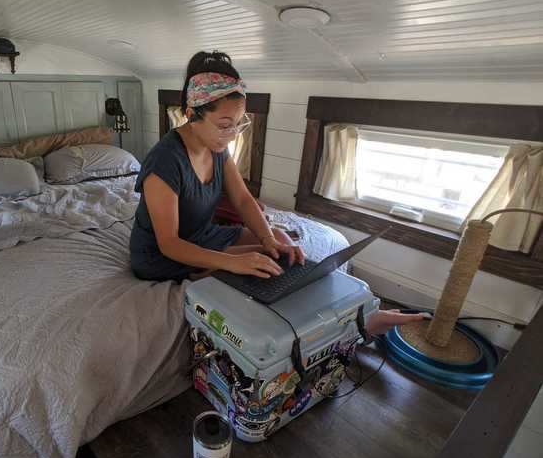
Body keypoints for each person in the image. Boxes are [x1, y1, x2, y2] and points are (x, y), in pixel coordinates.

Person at [129, 50, 425, 335]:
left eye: (238, 125)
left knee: (281, 246)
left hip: (203, 234)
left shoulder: (217, 146)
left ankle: (357, 311)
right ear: (191, 114)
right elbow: (169, 244)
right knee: (260, 264)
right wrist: (233, 260)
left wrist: (268, 238)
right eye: (224, 125)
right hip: (162, 255)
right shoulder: (164, 161)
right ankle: (359, 321)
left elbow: (243, 199)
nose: (232, 134)